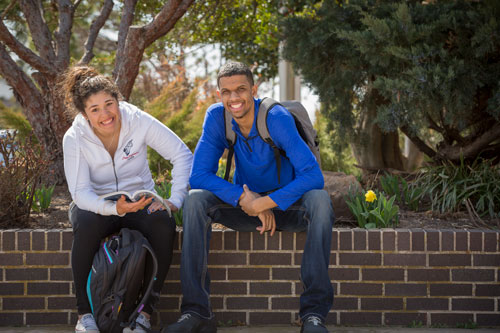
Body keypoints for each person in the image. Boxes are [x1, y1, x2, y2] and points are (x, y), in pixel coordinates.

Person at [165, 61, 334, 333]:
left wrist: (264, 203)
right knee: (196, 199)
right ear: (219, 93)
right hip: (245, 208)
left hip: (290, 209)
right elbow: (198, 176)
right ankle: (196, 313)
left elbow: (313, 176)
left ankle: (313, 316)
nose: (234, 98)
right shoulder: (217, 117)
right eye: (226, 91)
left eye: (241, 89)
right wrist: (246, 200)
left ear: (253, 89)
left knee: (321, 201)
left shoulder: (275, 118)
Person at [61, 66, 193, 333]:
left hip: (139, 201)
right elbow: (80, 193)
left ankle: (144, 315)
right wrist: (112, 208)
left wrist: (174, 199)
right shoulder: (74, 137)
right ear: (85, 114)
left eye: (109, 104)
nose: (105, 114)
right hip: (96, 204)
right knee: (84, 224)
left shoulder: (138, 120)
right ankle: (84, 315)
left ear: (118, 101)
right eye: (95, 109)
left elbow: (182, 154)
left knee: (163, 224)